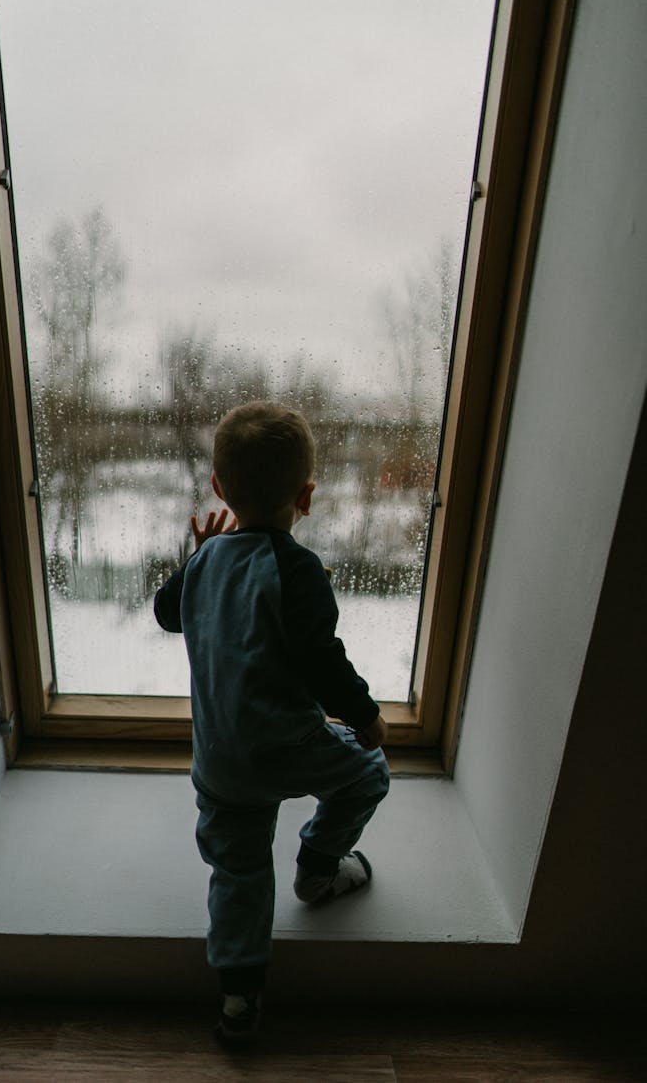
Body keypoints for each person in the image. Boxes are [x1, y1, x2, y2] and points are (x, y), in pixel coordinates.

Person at [154, 401, 390, 1041]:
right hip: (290, 748)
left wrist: (199, 557)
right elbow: (321, 660)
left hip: (223, 764)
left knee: (238, 872)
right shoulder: (298, 569)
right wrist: (364, 716)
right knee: (366, 773)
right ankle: (318, 867)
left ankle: (238, 1000)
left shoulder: (205, 563)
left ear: (219, 488)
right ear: (306, 496)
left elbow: (167, 614)